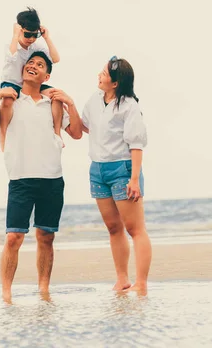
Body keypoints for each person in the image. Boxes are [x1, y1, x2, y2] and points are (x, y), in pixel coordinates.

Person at [0, 51, 82, 303]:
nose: (33, 66)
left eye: (40, 64)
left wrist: (70, 102)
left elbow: (77, 133)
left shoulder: (53, 103)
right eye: (31, 62)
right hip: (21, 179)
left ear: (46, 75)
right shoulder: (10, 100)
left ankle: (44, 290)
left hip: (51, 178)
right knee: (14, 237)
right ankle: (6, 293)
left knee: (46, 236)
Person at [81, 56, 152, 293]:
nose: (99, 75)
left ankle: (141, 283)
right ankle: (122, 279)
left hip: (122, 169)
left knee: (135, 229)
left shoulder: (129, 106)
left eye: (103, 73)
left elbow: (136, 144)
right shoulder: (94, 100)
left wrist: (134, 179)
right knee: (113, 228)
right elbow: (84, 126)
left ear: (116, 82)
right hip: (98, 169)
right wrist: (66, 104)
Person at [0, 7, 63, 151]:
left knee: (56, 96)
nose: (31, 39)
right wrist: (16, 35)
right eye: (27, 34)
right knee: (8, 100)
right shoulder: (10, 45)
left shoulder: (35, 46)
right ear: (20, 29)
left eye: (35, 35)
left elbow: (55, 59)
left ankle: (57, 133)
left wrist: (46, 37)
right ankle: (3, 136)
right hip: (11, 83)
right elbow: (11, 57)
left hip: (30, 85)